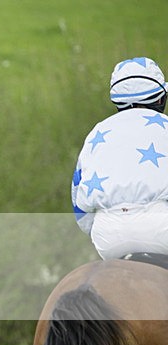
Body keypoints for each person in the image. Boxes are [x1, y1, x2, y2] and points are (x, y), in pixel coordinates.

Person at [72, 57, 168, 260]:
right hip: (160, 229)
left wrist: (94, 231)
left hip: (108, 235)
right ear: (160, 99)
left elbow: (77, 198)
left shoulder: (97, 132)